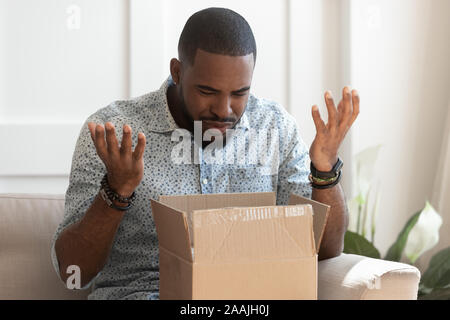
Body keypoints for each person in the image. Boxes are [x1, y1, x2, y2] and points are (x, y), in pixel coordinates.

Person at [51, 7, 359, 300]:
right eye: (207, 92)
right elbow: (73, 271)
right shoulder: (115, 131)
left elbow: (326, 249)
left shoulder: (275, 128)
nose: (224, 110)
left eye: (240, 93)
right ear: (177, 71)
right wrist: (116, 192)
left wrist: (324, 170)